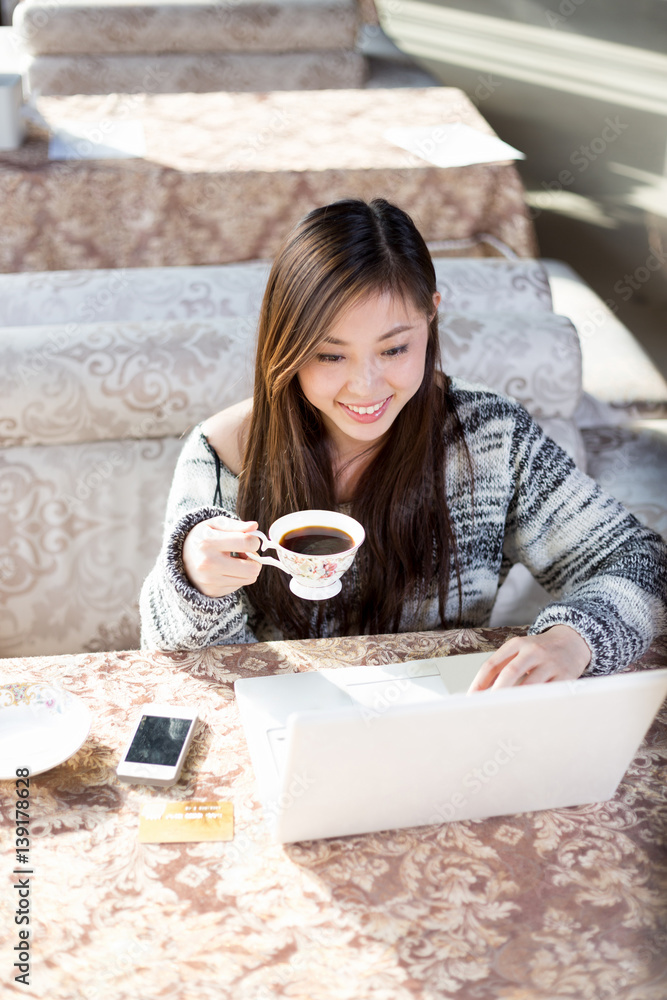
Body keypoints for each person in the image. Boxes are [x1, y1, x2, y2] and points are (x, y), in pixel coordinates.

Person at [140, 198, 667, 692]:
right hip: (284, 722)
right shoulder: (221, 453)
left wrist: (572, 640)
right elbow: (176, 659)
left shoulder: (490, 439)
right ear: (287, 345)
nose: (366, 386)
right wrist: (193, 579)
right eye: (329, 356)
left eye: (394, 348)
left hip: (442, 720)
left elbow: (640, 562)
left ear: (431, 314)